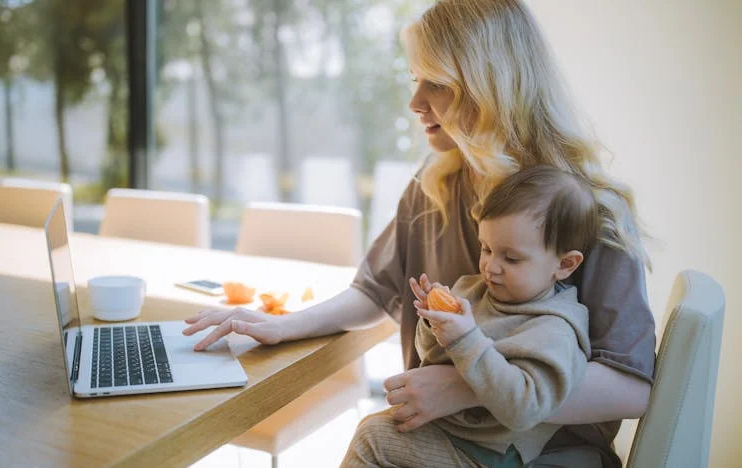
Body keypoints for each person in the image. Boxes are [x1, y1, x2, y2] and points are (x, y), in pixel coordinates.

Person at [182, 0, 656, 465]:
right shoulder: (435, 183)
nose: (415, 103)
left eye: (438, 84)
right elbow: (376, 290)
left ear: (491, 87)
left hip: (548, 453)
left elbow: (631, 387)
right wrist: (284, 325)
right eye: (415, 81)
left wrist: (465, 388)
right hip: (441, 439)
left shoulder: (590, 209)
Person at [340, 165, 598, 467]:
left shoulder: (555, 329)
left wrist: (465, 338)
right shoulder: (474, 291)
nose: (491, 266)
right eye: (486, 248)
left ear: (565, 264)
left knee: (373, 438)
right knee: (376, 426)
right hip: (449, 431)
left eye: (511, 258)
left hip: (490, 454)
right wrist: (434, 323)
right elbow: (435, 358)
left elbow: (524, 409)